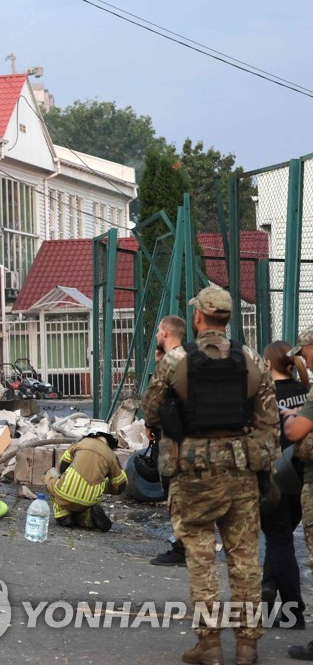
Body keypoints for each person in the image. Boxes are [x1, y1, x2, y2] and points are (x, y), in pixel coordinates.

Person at [142, 285, 279, 665]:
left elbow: (151, 411)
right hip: (241, 474)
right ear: (228, 318)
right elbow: (270, 426)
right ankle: (248, 645)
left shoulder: (174, 361)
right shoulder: (252, 360)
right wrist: (255, 461)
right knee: (245, 559)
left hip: (193, 475)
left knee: (201, 558)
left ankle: (210, 644)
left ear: (199, 317)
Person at [259, 340, 310, 629]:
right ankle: (269, 585)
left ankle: (294, 613)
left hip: (274, 477)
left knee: (280, 541)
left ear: (267, 364)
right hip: (301, 476)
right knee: (282, 538)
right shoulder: (304, 392)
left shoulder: (265, 396)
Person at [278, 327, 313, 660]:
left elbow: (296, 430)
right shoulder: (307, 387)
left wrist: (291, 419)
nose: (303, 359)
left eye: (305, 352)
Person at [152, 314, 191, 567]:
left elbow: (157, 398)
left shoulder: (171, 361)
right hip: (190, 436)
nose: (156, 335)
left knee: (175, 491)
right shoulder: (190, 359)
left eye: (158, 331)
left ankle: (182, 547)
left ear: (166, 333)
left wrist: (150, 424)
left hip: (174, 438)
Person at [43, 431, 126, 532]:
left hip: (64, 492)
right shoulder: (111, 455)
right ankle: (88, 519)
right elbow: (120, 485)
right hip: (89, 500)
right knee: (98, 486)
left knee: (50, 474)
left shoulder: (80, 443)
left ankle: (63, 515)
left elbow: (62, 466)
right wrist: (104, 486)